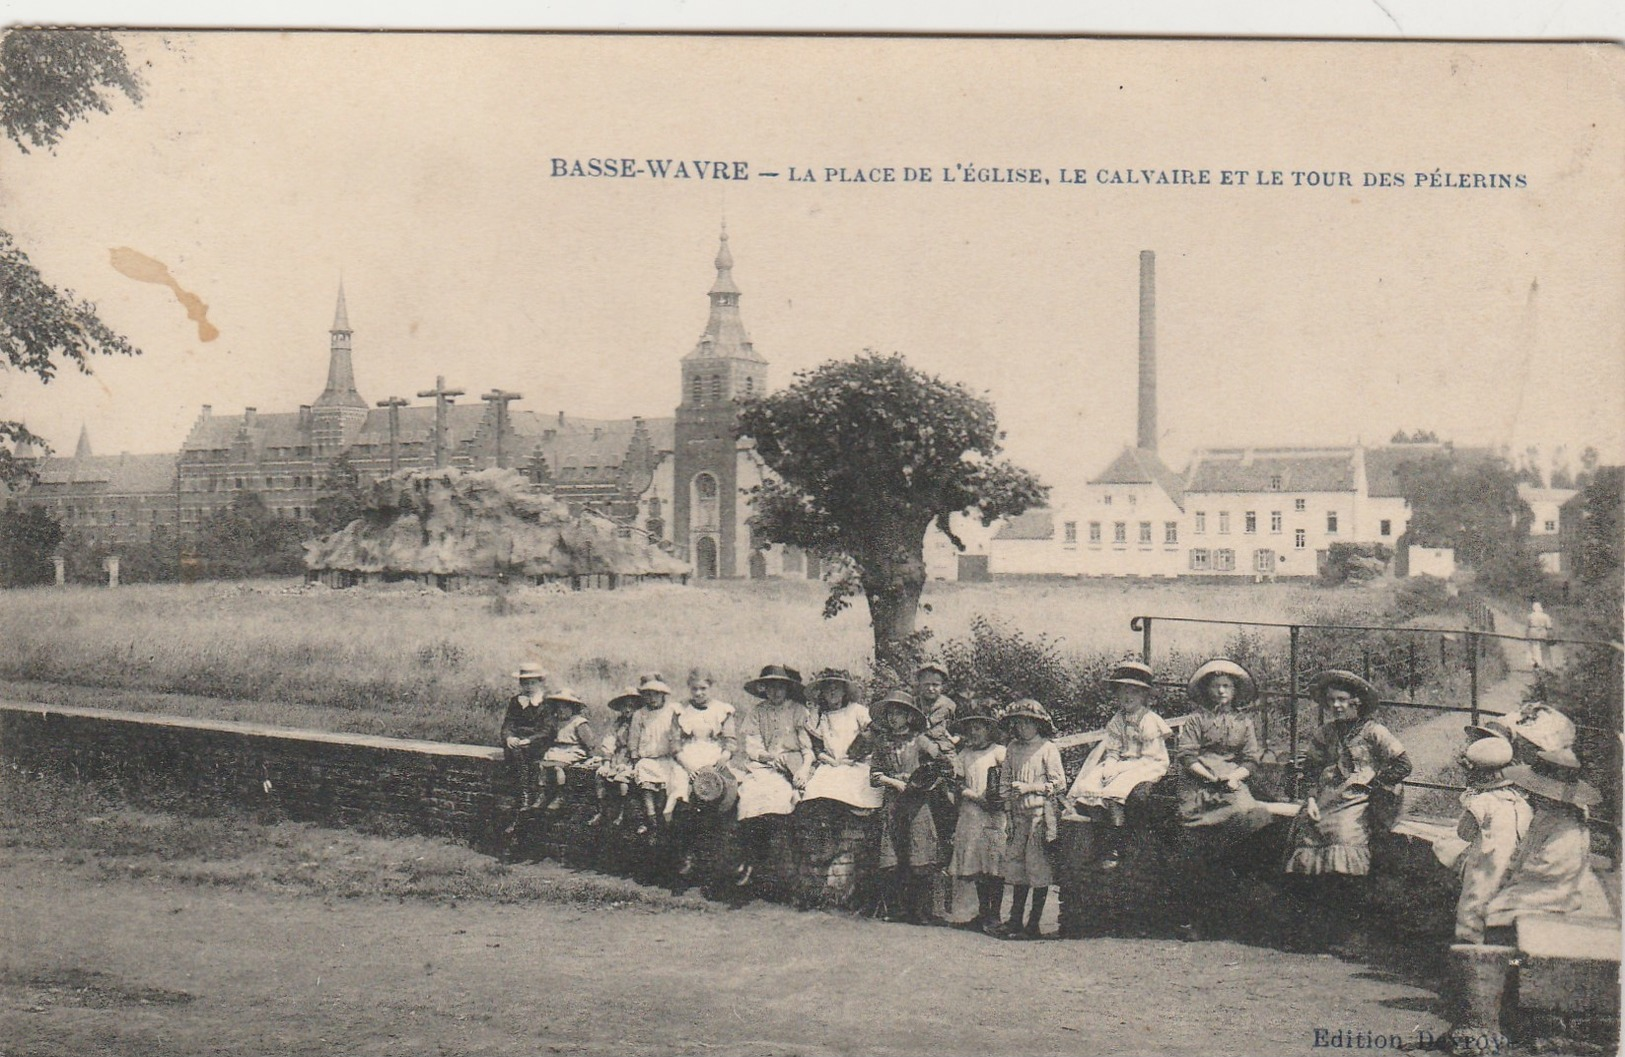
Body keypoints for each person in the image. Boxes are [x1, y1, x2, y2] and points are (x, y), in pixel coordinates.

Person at [1168, 659, 1275, 940]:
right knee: (1195, 841)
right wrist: (1206, 775)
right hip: (1198, 782)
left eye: (1226, 686)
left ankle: (1231, 909)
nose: (1221, 692)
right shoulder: (1196, 720)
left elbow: (1252, 759)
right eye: (1216, 686)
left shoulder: (1244, 722)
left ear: (1235, 691)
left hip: (1231, 782)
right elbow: (1187, 755)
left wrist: (1235, 777)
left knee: (1249, 818)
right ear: (1207, 691)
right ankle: (1194, 919)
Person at [1284, 670, 1411, 878]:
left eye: (1342, 700)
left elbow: (1403, 764)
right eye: (1331, 700)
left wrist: (1376, 783)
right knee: (1307, 830)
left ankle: (1346, 884)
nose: (1336, 706)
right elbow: (1311, 771)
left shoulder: (1373, 732)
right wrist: (1311, 800)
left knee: (1341, 834)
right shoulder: (1324, 733)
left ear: (1356, 701)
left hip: (1360, 800)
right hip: (1326, 798)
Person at [1069, 660, 1172, 868]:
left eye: (1133, 692)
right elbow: (1113, 749)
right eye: (1123, 691)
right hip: (1123, 762)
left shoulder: (1149, 720)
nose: (1128, 696)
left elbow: (1151, 755)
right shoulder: (1118, 719)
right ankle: (1101, 842)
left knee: (1115, 793)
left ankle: (1117, 846)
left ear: (1143, 696)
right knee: (1090, 787)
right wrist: (1110, 764)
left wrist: (1120, 769)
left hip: (1148, 763)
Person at [859, 688, 948, 924]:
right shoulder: (883, 742)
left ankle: (922, 911)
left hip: (917, 804)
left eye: (898, 714)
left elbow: (942, 765)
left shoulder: (920, 741)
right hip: (893, 804)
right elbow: (874, 776)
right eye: (889, 714)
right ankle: (897, 909)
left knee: (920, 853)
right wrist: (893, 782)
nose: (893, 719)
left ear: (909, 716)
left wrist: (924, 782)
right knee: (892, 856)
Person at [734, 664, 813, 887]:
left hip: (791, 764)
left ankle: (782, 869)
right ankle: (750, 860)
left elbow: (807, 749)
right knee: (749, 796)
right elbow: (752, 747)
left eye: (780, 687)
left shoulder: (798, 711)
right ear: (764, 690)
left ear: (787, 689)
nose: (775, 692)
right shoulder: (758, 712)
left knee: (780, 799)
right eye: (770, 688)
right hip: (763, 766)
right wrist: (769, 758)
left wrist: (803, 769)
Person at [1450, 735, 1532, 944]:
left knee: (1475, 901)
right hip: (1513, 866)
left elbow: (1464, 833)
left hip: (1488, 865)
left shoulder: (1483, 802)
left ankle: (1469, 943)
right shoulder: (1520, 803)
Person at [998, 699, 1066, 939]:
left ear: (1039, 724)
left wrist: (1030, 787)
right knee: (1017, 866)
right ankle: (1014, 920)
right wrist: (1008, 813)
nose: (1023, 728)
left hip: (1040, 814)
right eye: (1019, 723)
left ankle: (1033, 924)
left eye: (1029, 723)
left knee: (1037, 867)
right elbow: (1005, 783)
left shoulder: (1047, 748)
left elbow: (1059, 783)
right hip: (1018, 816)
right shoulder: (1013, 749)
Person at [670, 670, 738, 887]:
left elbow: (730, 742)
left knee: (725, 796)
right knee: (682, 796)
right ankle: (687, 857)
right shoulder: (680, 710)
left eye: (703, 688)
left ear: (711, 687)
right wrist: (688, 767)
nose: (698, 693)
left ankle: (716, 862)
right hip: (687, 759)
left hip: (714, 757)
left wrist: (724, 758)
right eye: (694, 689)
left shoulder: (723, 710)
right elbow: (674, 745)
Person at [948, 703, 1008, 935]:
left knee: (995, 863)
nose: (975, 733)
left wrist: (997, 799)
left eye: (979, 728)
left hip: (994, 815)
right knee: (977, 864)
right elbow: (958, 783)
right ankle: (983, 913)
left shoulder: (999, 752)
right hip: (972, 812)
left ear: (989, 730)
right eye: (971, 728)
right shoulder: (964, 754)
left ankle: (996, 914)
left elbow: (1007, 777)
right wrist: (974, 796)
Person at [799, 668, 883, 810]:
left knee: (856, 794)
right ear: (823, 693)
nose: (832, 693)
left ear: (844, 692)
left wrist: (855, 755)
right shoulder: (821, 716)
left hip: (856, 763)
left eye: (836, 689)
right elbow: (817, 748)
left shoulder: (856, 710)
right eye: (828, 690)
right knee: (821, 792)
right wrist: (832, 761)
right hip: (831, 764)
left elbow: (874, 731)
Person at [498, 662, 554, 841]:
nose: (528, 687)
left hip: (537, 742)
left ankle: (526, 795)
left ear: (540, 682)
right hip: (518, 744)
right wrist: (509, 738)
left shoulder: (547, 702)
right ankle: (524, 794)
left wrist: (529, 740)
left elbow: (547, 730)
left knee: (525, 754)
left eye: (532, 683)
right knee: (515, 751)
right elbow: (507, 725)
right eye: (525, 683)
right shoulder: (516, 701)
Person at [627, 674, 685, 835]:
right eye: (647, 694)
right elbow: (634, 737)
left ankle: (665, 820)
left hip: (668, 758)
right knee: (645, 779)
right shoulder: (639, 714)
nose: (651, 698)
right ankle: (651, 817)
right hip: (648, 758)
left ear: (662, 694)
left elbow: (682, 730)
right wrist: (634, 754)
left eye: (655, 694)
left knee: (670, 785)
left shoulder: (673, 710)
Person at [588, 687, 642, 828]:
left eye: (632, 706)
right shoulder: (618, 723)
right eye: (625, 706)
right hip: (618, 757)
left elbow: (641, 746)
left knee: (622, 780)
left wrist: (631, 763)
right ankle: (602, 811)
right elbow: (609, 741)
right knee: (600, 775)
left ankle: (622, 813)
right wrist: (606, 761)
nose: (628, 710)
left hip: (634, 759)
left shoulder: (641, 723)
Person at [539, 687, 595, 812]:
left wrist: (590, 755)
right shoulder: (556, 721)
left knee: (558, 767)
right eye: (558, 707)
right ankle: (543, 793)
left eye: (565, 707)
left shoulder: (578, 722)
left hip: (573, 749)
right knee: (543, 765)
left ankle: (561, 794)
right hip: (558, 748)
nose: (561, 710)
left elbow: (588, 741)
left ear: (573, 708)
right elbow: (550, 736)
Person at [913, 661, 958, 759]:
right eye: (926, 684)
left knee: (955, 767)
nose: (930, 688)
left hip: (943, 748)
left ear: (943, 686)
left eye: (935, 685)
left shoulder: (949, 705)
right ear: (919, 684)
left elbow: (957, 728)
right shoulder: (914, 703)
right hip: (916, 748)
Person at [1524, 601, 1553, 671]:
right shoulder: (1546, 616)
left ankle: (1535, 663)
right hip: (1543, 632)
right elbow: (1549, 627)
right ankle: (1544, 664)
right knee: (1544, 648)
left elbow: (1527, 627)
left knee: (1533, 648)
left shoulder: (1530, 616)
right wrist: (1550, 636)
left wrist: (1526, 635)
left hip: (1533, 632)